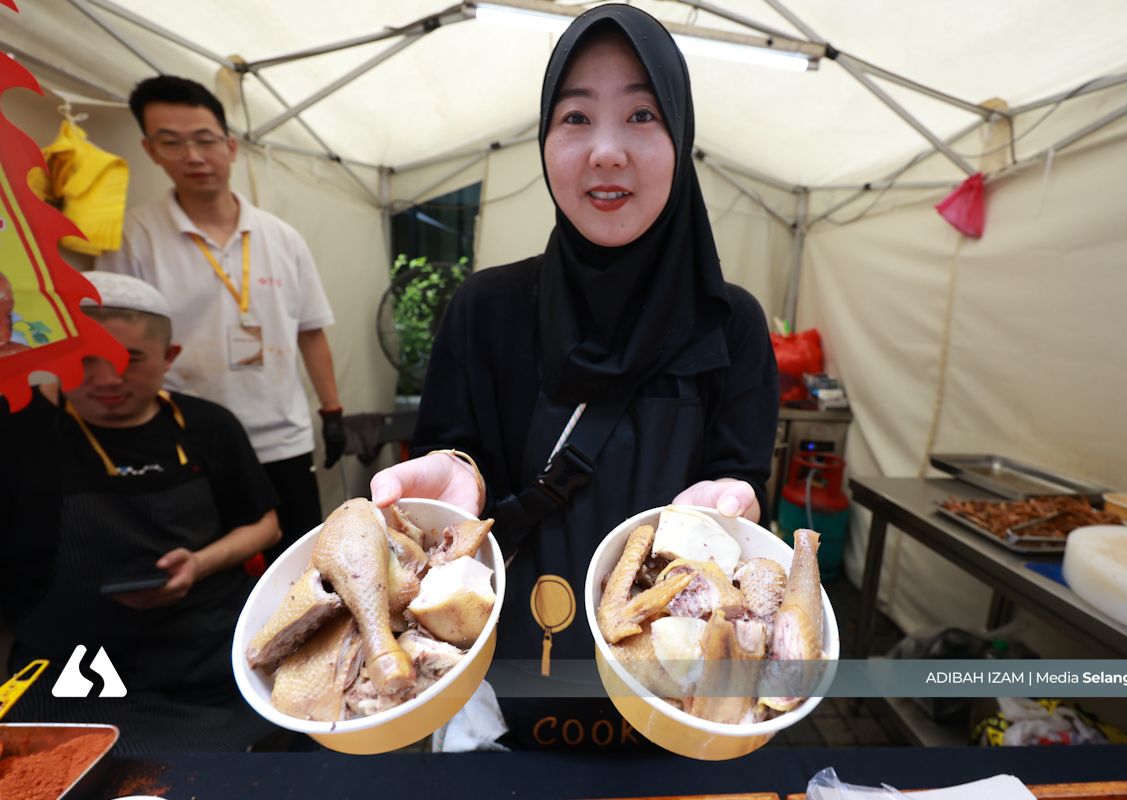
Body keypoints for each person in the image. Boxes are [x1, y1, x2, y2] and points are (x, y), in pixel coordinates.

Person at [370, 5, 779, 750]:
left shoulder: (731, 325)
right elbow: (457, 467)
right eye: (576, 117)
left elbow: (744, 486)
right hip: (508, 683)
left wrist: (739, 503)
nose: (607, 151)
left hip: (680, 702)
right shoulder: (485, 309)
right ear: (545, 139)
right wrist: (456, 472)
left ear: (681, 136)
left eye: (642, 115)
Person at [0, 272, 280, 752]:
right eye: (85, 359)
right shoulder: (17, 430)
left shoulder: (208, 425)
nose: (108, 379)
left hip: (208, 656)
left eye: (130, 359)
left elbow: (265, 525)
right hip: (74, 667)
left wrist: (198, 565)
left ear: (169, 356)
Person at [96, 75, 344, 562]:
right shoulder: (134, 237)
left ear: (230, 147)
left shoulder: (282, 238)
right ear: (150, 150)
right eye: (172, 142)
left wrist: (332, 413)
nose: (193, 156)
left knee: (304, 568)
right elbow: (116, 341)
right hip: (185, 440)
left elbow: (310, 331)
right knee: (206, 571)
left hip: (282, 436)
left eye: (205, 140)